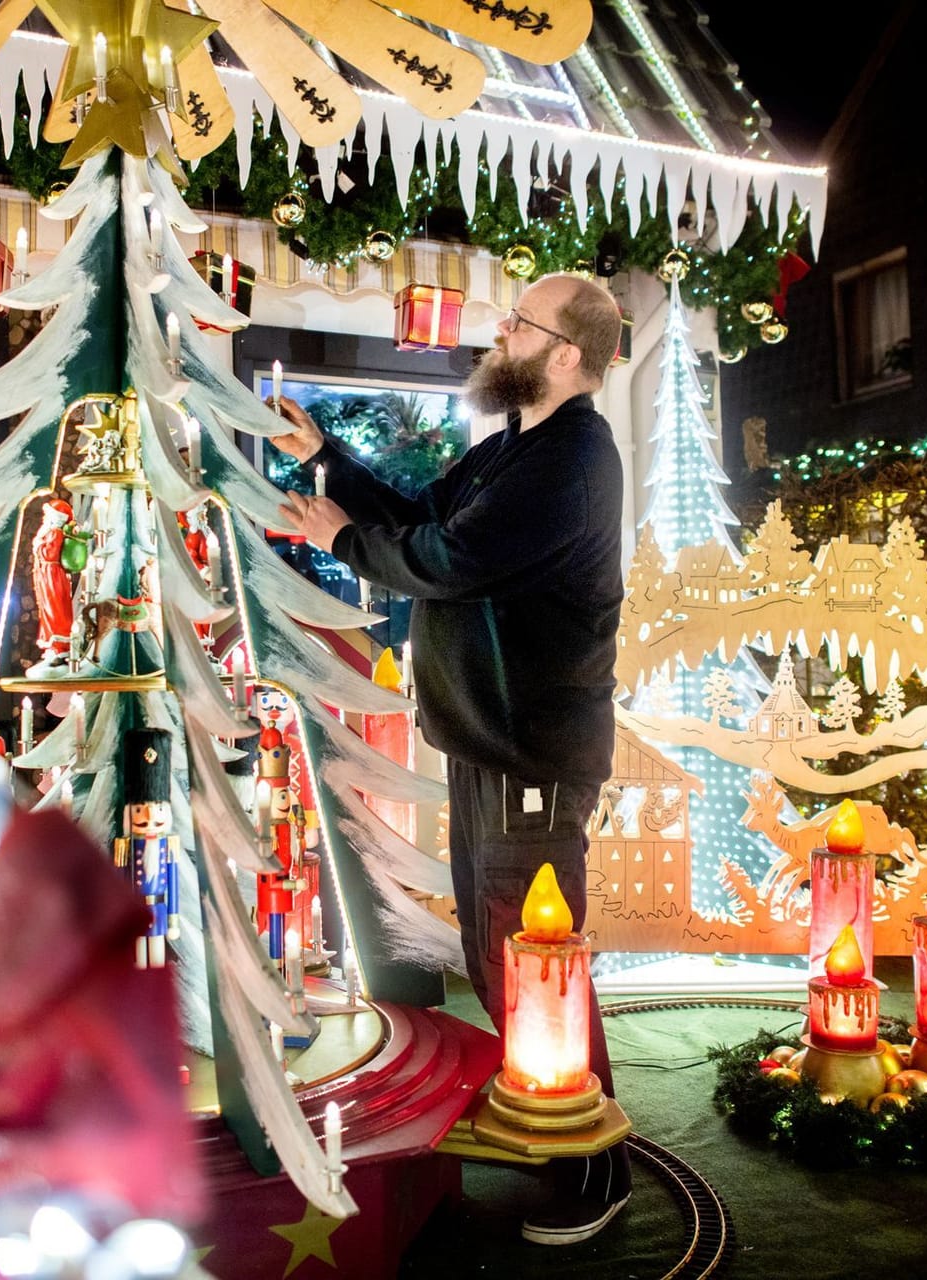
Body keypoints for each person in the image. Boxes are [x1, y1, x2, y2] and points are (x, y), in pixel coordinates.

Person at [273, 273, 630, 1245]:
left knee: (534, 964)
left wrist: (345, 537)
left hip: (532, 755)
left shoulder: (572, 464)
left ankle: (587, 1173)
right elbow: (419, 511)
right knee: (501, 955)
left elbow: (446, 559)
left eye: (521, 322)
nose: (499, 331)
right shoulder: (511, 452)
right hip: (490, 746)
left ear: (567, 355)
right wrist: (329, 459)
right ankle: (552, 1131)